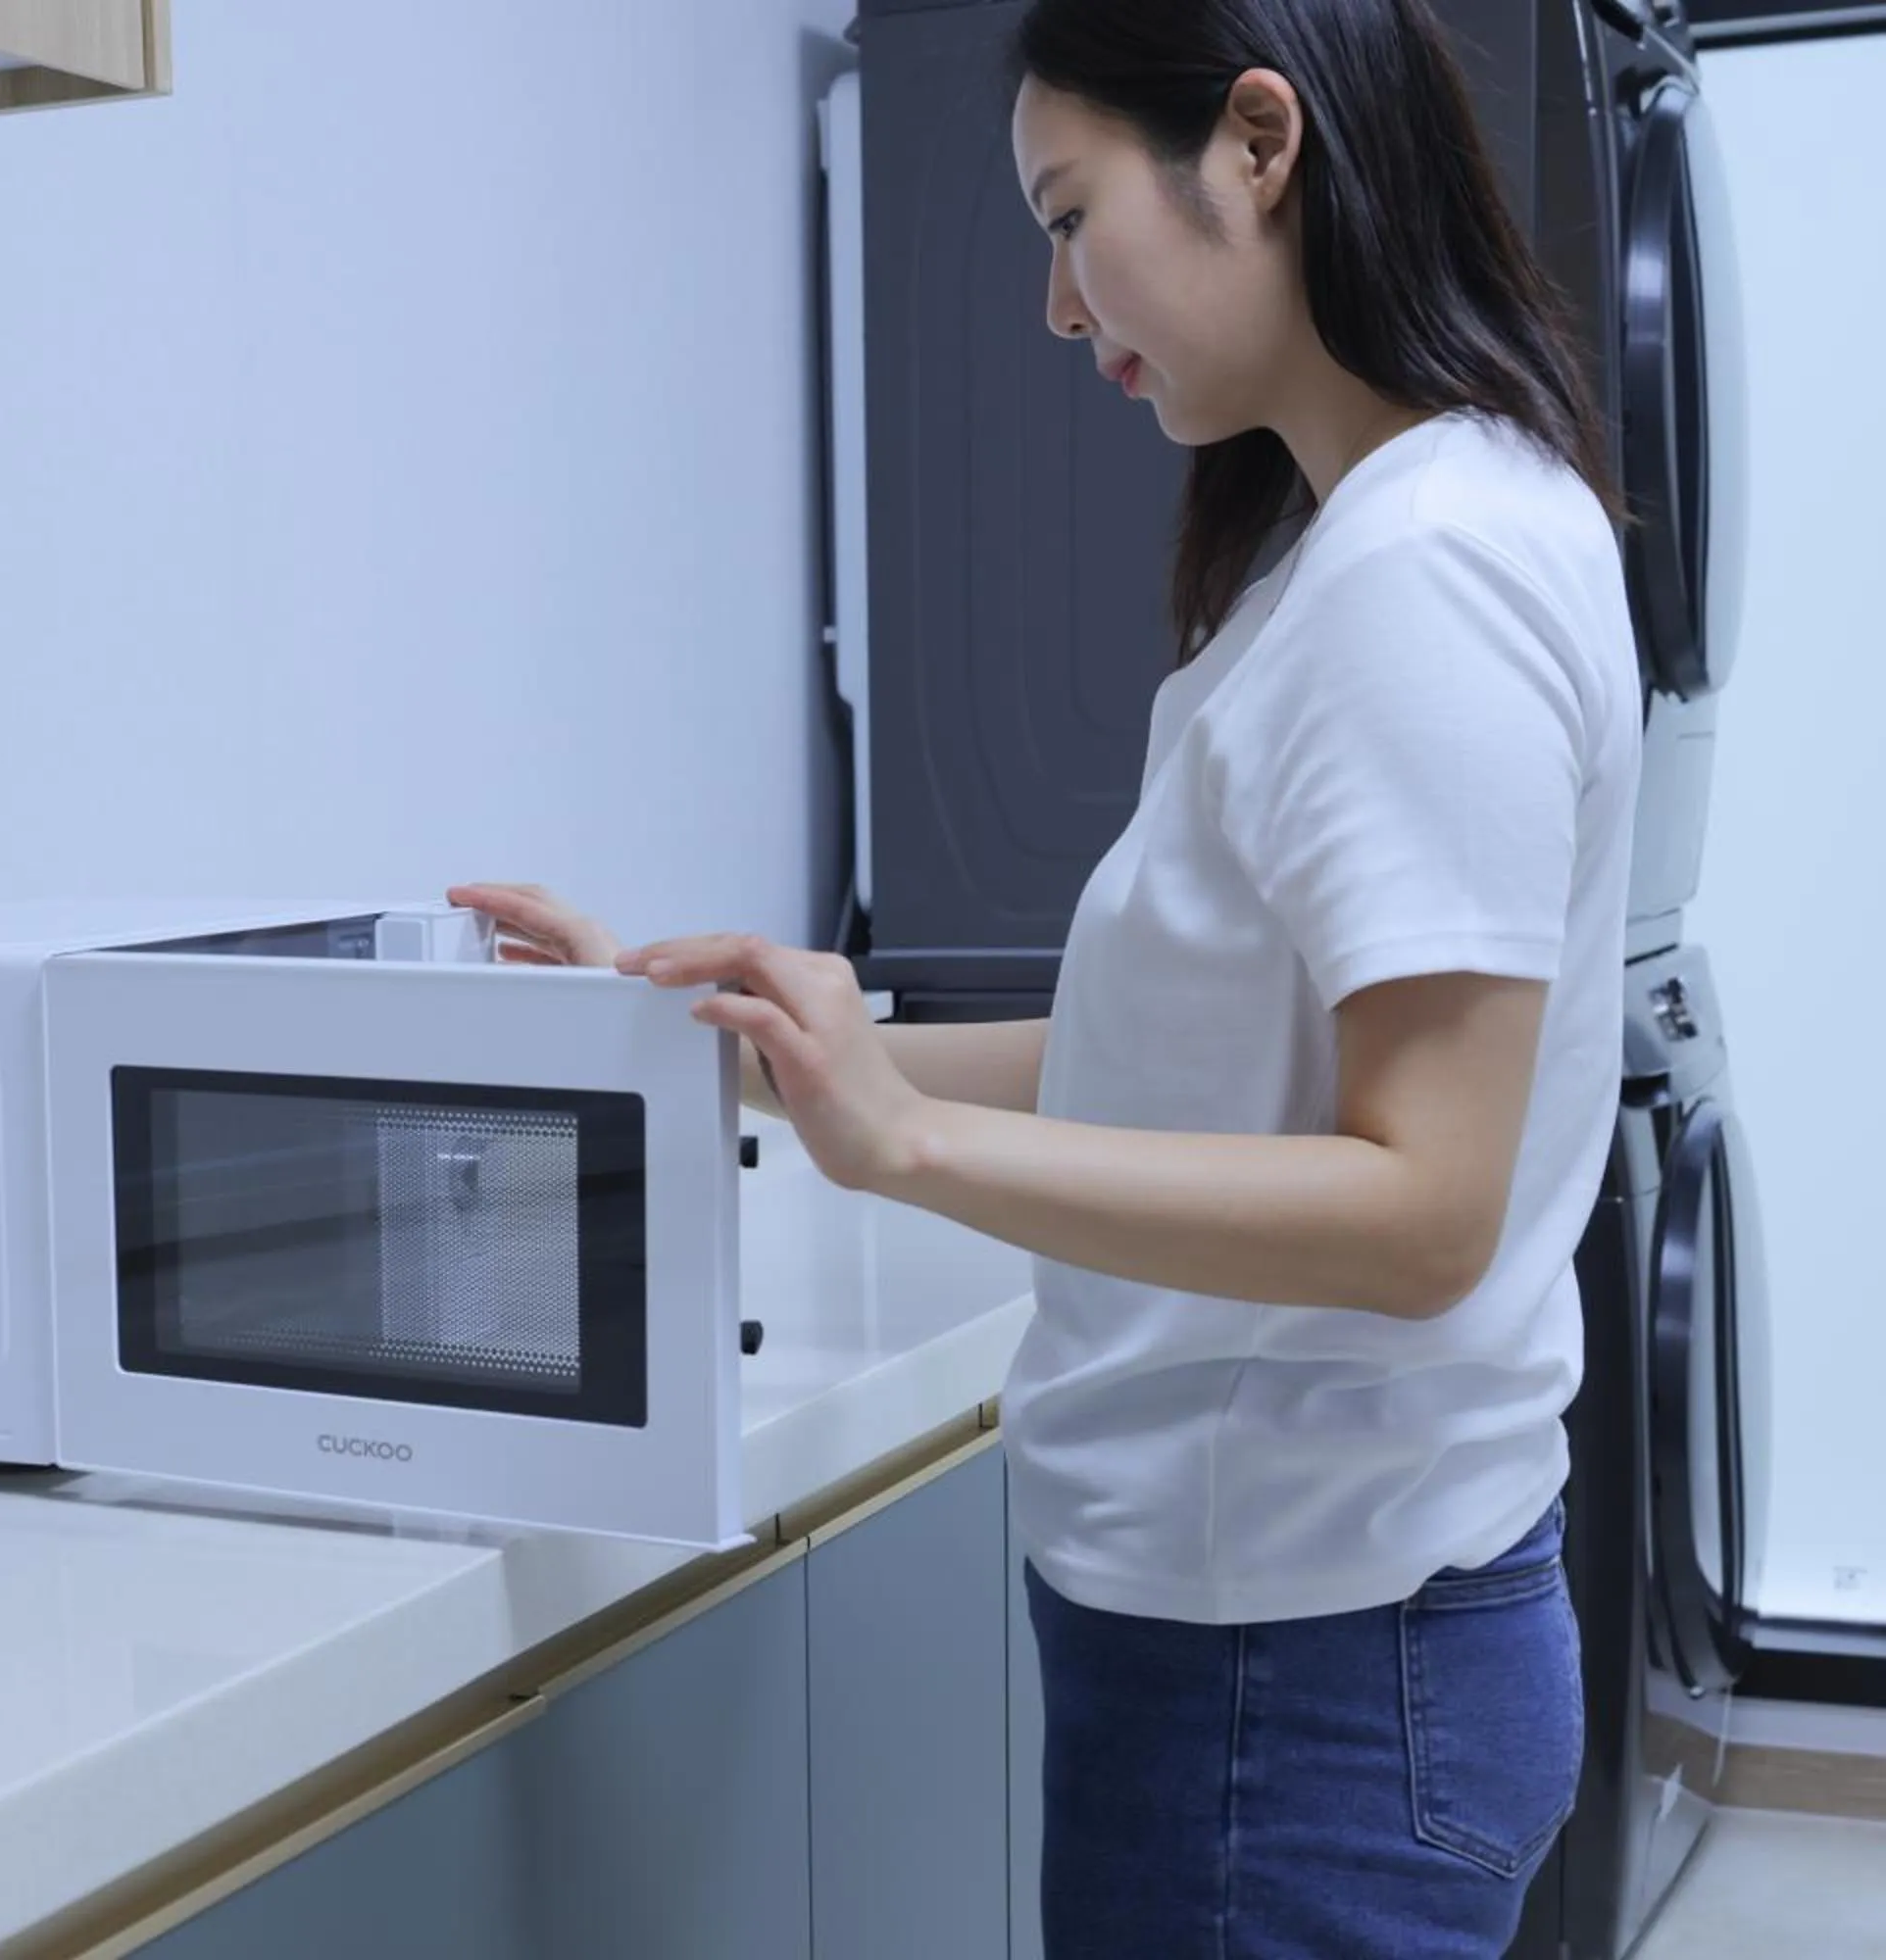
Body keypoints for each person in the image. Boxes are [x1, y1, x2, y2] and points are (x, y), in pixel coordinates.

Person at [456, 0, 1642, 1951]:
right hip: (1316, 1652)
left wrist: (906, 1144)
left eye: (1070, 211)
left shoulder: (1418, 580)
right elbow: (1173, 1057)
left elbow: (1425, 1207)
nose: (1055, 301)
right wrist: (774, 1054)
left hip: (1301, 1686)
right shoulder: (1399, 542)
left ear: (1260, 145)